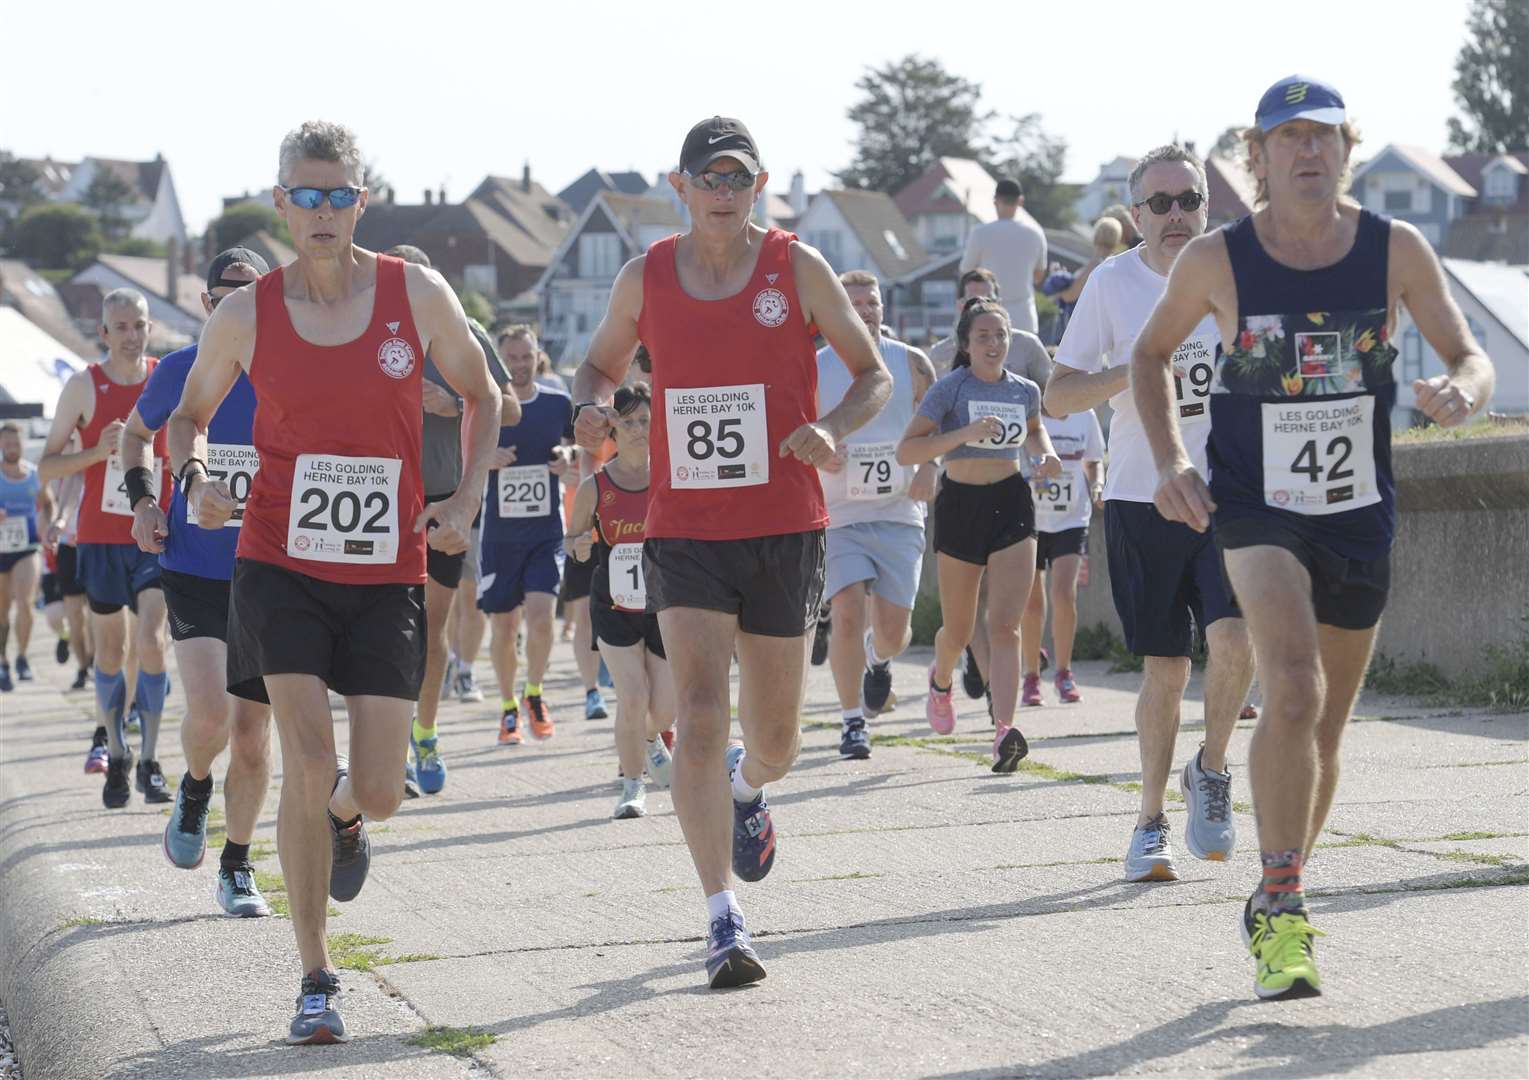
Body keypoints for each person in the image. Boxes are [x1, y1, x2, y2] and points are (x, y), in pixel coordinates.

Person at [1135, 77, 1494, 1001]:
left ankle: (1270, 885)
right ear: (1255, 157)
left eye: (1323, 137)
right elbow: (1148, 356)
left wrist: (1465, 390)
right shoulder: (1216, 259)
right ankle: (1288, 906)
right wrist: (1172, 460)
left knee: (1325, 726)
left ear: (1346, 149)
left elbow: (1468, 353)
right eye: (1286, 138)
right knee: (1288, 684)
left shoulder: (1393, 249)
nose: (1306, 152)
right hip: (1255, 507)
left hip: (1358, 508)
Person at [167, 120, 501, 1044]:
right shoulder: (246, 313)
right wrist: (195, 482)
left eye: (338, 194)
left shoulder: (415, 292)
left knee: (380, 789)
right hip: (276, 560)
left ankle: (351, 820)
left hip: (385, 565)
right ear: (280, 202)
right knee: (308, 759)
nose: (321, 211)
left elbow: (487, 394)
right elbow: (188, 418)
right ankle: (315, 975)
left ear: (363, 198)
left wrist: (466, 494)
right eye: (304, 196)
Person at [573, 116, 890, 989]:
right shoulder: (646, 278)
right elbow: (595, 369)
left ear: (757, 184)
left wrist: (829, 428)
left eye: (736, 177)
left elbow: (874, 375)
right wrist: (589, 411)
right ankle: (722, 917)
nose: (723, 191)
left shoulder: (797, 268)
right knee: (701, 714)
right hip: (686, 530)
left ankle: (752, 790)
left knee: (776, 737)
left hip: (785, 524)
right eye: (707, 178)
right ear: (679, 188)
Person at [1049, 144, 1254, 884]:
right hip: (1142, 494)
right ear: (1135, 215)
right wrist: (1138, 365)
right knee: (1165, 667)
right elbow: (1057, 395)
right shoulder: (1111, 283)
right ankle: (1148, 820)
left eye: (1187, 200)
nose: (1175, 216)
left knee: (1236, 641)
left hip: (1229, 494)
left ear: (1207, 206)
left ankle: (1212, 767)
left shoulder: (1239, 270)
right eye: (1159, 204)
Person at [121, 248, 276, 916]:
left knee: (251, 732)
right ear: (206, 305)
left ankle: (237, 864)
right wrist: (145, 502)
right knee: (212, 715)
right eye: (224, 296)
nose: (238, 305)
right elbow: (134, 438)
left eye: (253, 293)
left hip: (272, 571)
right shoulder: (183, 370)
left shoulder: (292, 375)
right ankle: (194, 784)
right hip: (195, 565)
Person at [897, 297, 1061, 771]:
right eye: (983, 336)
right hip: (960, 507)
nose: (994, 344)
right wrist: (962, 434)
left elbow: (1034, 432)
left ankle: (1003, 731)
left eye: (1001, 336)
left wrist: (1044, 453)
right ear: (967, 345)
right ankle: (942, 679)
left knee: (1006, 626)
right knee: (960, 629)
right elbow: (909, 450)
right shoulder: (949, 389)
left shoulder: (1025, 389)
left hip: (1011, 502)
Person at [384, 244, 518, 797]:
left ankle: (426, 731)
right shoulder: (367, 331)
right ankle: (388, 749)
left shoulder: (464, 333)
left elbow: (509, 408)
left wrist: (456, 405)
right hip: (379, 499)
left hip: (445, 498)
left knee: (428, 630)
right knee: (383, 631)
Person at [39, 288, 173, 808]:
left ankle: (153, 760)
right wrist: (97, 451)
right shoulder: (83, 386)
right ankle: (117, 751)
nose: (132, 335)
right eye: (121, 327)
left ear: (149, 327)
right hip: (98, 536)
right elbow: (47, 466)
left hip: (154, 535)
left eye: (139, 325)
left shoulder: (167, 377)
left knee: (154, 643)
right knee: (112, 652)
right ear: (104, 333)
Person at [816, 271, 937, 758]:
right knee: (846, 611)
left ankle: (878, 660)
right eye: (854, 303)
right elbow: (799, 427)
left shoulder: (912, 363)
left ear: (883, 309)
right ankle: (851, 724)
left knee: (892, 631)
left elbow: (937, 423)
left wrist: (930, 465)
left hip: (899, 510)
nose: (865, 310)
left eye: (872, 302)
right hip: (839, 514)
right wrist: (819, 454)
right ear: (837, 310)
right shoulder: (815, 365)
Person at [564, 382, 674, 817]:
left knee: (664, 710)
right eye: (627, 422)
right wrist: (579, 546)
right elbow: (571, 538)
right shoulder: (596, 485)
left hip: (665, 604)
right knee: (632, 695)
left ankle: (648, 740)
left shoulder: (672, 477)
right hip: (614, 605)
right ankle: (631, 786)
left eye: (645, 420)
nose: (638, 429)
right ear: (613, 428)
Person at [481, 325, 575, 745]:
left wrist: (567, 457)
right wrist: (487, 459)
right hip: (499, 536)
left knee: (540, 619)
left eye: (526, 357)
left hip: (546, 532)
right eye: (512, 358)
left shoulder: (558, 403)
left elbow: (581, 447)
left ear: (538, 357)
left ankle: (534, 691)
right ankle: (507, 707)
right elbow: (461, 454)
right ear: (500, 361)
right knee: (503, 628)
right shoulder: (486, 405)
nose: (519, 366)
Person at [1021, 398, 1104, 706]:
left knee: (1063, 594)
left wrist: (1097, 485)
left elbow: (1094, 460)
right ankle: (1031, 677)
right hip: (1032, 518)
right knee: (1031, 602)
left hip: (1072, 518)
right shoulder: (1031, 415)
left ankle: (1064, 673)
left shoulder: (1085, 413)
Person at [0, 421, 52, 690]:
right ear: (0, 445)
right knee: (2, 612)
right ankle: (3, 661)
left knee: (25, 604)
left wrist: (46, 524)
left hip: (27, 548)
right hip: (0, 551)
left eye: (16, 443)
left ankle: (21, 656)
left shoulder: (34, 475)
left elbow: (48, 504)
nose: (12, 448)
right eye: (7, 443)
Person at [960, 178, 1048, 335]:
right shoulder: (1035, 233)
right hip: (1024, 315)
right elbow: (1039, 275)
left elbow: (966, 272)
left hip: (986, 314)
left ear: (995, 201)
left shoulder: (980, 233)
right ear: (1020, 201)